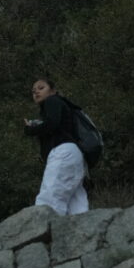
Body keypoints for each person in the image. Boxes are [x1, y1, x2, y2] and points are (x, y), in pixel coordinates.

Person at [24, 77, 88, 215]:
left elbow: (52, 124)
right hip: (76, 155)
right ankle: (84, 233)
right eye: (33, 91)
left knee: (49, 198)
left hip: (63, 152)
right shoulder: (63, 105)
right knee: (76, 206)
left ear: (53, 91)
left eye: (41, 88)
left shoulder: (52, 100)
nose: (36, 92)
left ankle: (42, 233)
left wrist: (31, 129)